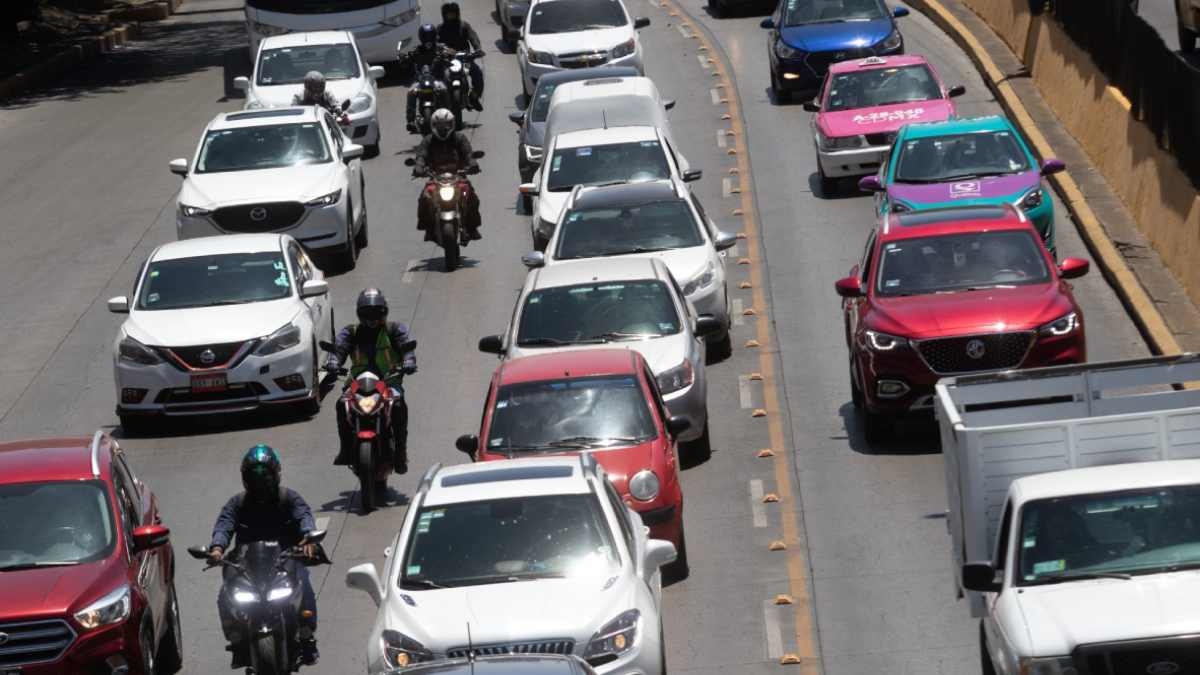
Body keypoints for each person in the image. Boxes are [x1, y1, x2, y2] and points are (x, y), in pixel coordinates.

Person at [208, 446, 320, 665]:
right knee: (225, 594)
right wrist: (217, 548)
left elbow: (304, 516)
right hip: (247, 565)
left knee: (304, 583)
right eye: (255, 476)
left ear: (275, 474)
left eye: (265, 476)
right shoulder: (237, 503)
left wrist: (308, 537)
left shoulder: (289, 498)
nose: (260, 482)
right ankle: (237, 639)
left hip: (286, 559)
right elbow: (224, 525)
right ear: (245, 479)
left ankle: (307, 636)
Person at [326, 288, 417, 474]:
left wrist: (409, 360)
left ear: (384, 312)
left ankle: (400, 453)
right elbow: (339, 349)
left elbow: (405, 346)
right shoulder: (350, 332)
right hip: (357, 383)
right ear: (360, 314)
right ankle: (345, 449)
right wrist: (333, 362)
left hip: (389, 381)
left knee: (399, 406)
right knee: (340, 404)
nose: (372, 317)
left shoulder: (395, 329)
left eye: (376, 312)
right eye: (367, 313)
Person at [413, 108, 482, 242]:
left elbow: (468, 154)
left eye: (446, 125)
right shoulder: (428, 140)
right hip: (435, 177)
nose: (443, 128)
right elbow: (421, 155)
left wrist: (472, 163)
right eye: (439, 126)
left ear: (452, 124)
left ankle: (472, 227)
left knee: (472, 197)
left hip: (458, 176)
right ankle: (427, 228)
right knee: (424, 198)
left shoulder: (460, 138)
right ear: (433, 126)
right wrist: (419, 166)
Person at [437, 1, 484, 110]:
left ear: (457, 13)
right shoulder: (440, 28)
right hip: (446, 60)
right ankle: (439, 101)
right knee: (435, 76)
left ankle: (473, 97)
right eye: (448, 14)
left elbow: (473, 37)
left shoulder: (464, 26)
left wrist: (478, 49)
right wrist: (442, 49)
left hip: (464, 59)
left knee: (478, 73)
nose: (450, 16)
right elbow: (435, 42)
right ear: (444, 15)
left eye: (452, 13)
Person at [406, 24, 451, 133]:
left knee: (444, 90)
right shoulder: (416, 50)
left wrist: (448, 54)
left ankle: (448, 116)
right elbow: (407, 59)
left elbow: (451, 52)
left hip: (437, 79)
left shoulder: (441, 48)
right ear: (421, 37)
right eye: (425, 36)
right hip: (420, 80)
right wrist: (405, 58)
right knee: (411, 92)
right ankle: (411, 121)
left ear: (435, 36)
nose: (428, 40)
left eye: (430, 36)